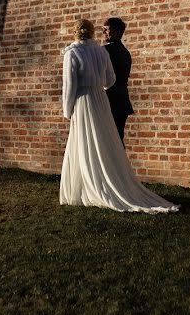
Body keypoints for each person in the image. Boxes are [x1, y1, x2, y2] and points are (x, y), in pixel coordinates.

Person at [60, 19, 178, 213]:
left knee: (85, 141)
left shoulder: (72, 53)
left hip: (83, 101)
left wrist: (67, 109)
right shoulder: (102, 51)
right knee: (107, 142)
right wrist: (100, 87)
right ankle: (110, 181)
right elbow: (111, 80)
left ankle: (87, 185)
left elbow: (69, 85)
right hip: (101, 101)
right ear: (91, 32)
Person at [102, 17, 134, 146]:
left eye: (106, 30)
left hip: (109, 102)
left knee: (106, 142)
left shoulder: (105, 51)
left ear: (117, 32)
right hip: (122, 103)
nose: (103, 33)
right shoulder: (126, 52)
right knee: (118, 140)